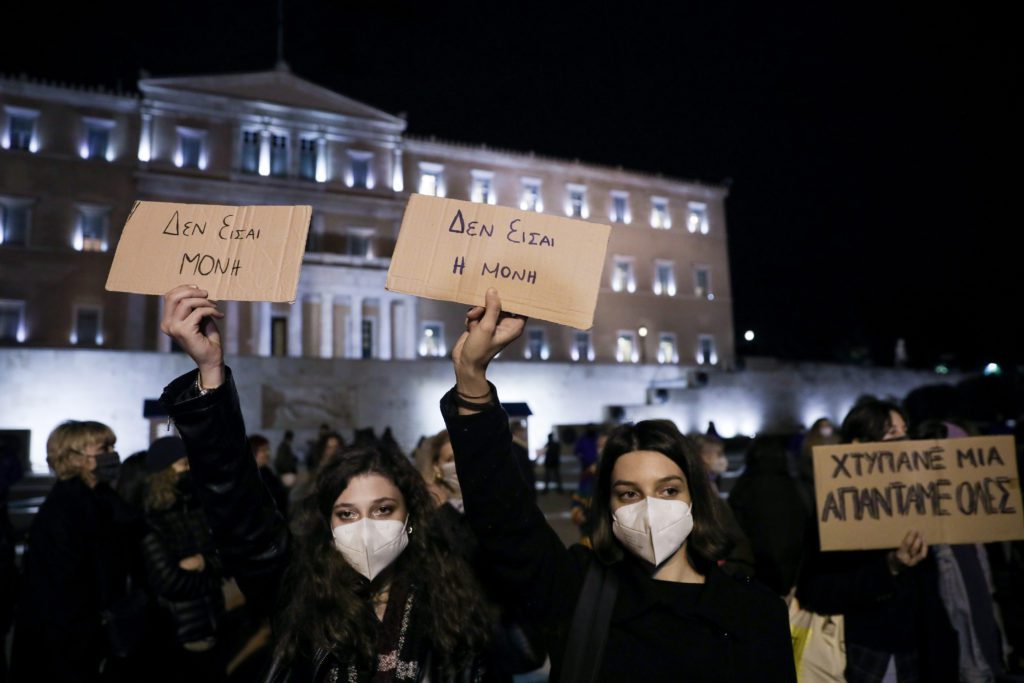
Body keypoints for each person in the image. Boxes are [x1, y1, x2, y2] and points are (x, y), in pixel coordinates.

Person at [440, 288, 795, 682]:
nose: (650, 506)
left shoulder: (756, 611)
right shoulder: (579, 592)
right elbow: (505, 519)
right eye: (629, 493)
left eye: (668, 490)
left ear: (696, 497)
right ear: (608, 506)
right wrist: (471, 378)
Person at [158, 285, 496, 681]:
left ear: (412, 515)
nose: (366, 526)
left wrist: (472, 378)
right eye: (346, 513)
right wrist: (210, 376)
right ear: (327, 524)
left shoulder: (453, 598)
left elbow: (510, 521)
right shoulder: (302, 596)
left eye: (383, 509)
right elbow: (240, 515)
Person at [797, 398, 958, 682]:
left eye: (904, 430)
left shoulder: (919, 501)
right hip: (868, 652)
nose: (904, 439)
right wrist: (889, 567)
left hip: (920, 650)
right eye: (892, 433)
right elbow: (816, 591)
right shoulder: (835, 511)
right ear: (860, 447)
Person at [10, 420, 141, 681]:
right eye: (104, 448)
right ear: (75, 458)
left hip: (90, 634)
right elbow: (64, 587)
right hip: (65, 642)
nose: (112, 454)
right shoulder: (64, 510)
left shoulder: (104, 499)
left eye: (113, 446)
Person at [139, 436, 227, 680]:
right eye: (183, 465)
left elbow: (223, 556)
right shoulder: (153, 519)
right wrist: (212, 576)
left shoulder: (197, 509)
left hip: (213, 623)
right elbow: (169, 581)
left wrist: (203, 563)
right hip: (179, 629)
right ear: (164, 472)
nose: (189, 471)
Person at [727, 436, 807, 595]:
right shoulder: (795, 486)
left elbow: (733, 526)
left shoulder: (743, 487)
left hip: (756, 568)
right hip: (793, 566)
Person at [250, 434, 289, 515]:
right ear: (253, 452)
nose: (268, 453)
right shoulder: (250, 477)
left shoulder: (265, 470)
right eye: (263, 450)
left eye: (268, 449)